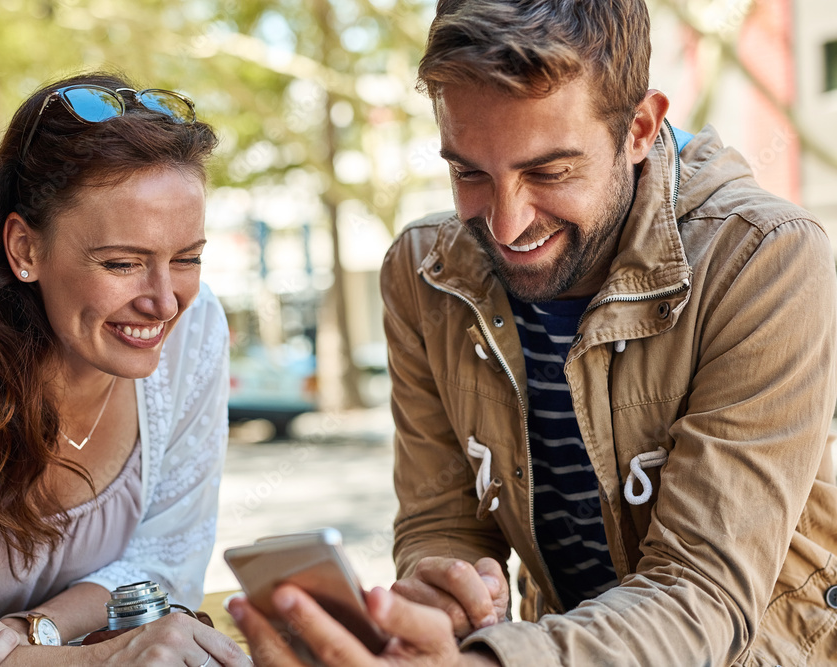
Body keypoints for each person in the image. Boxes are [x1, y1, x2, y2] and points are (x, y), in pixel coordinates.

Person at [229, 0, 837, 664]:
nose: (506, 225)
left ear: (639, 127)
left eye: (548, 172)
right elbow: (443, 521)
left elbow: (702, 591)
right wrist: (450, 591)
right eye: (468, 173)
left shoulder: (765, 258)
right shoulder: (423, 272)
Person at [0, 71, 248, 667]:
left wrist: (33, 630)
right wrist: (96, 660)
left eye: (187, 258)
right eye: (123, 263)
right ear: (25, 250)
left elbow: (166, 567)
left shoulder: (196, 328)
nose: (164, 301)